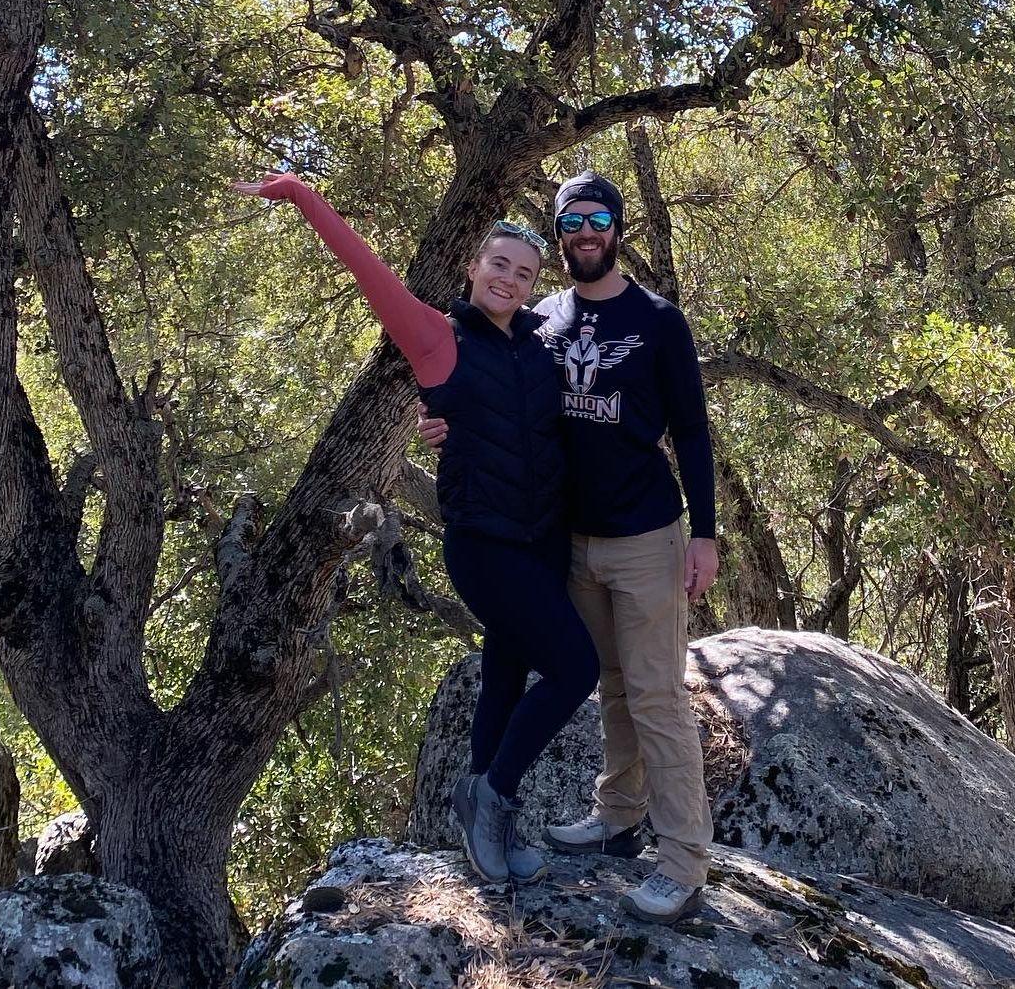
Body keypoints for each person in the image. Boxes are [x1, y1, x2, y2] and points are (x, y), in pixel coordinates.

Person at [232, 171, 598, 888]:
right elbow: (365, 269)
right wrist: (302, 194)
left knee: (504, 672)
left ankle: (483, 804)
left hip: (545, 537)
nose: (509, 279)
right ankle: (492, 797)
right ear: (473, 267)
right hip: (486, 544)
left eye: (523, 272)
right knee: (574, 669)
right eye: (498, 264)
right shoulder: (436, 336)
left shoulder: (542, 340)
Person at [420, 170, 720, 925]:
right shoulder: (540, 317)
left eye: (599, 218)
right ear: (557, 235)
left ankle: (682, 861)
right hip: (568, 540)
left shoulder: (658, 319)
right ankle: (617, 815)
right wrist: (447, 426)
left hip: (646, 534)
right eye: (571, 221)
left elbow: (690, 429)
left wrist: (706, 533)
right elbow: (495, 392)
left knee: (655, 695)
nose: (586, 231)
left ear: (617, 229)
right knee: (608, 683)